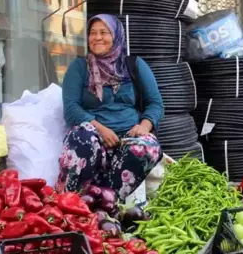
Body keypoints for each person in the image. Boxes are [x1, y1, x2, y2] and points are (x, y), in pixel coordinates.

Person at [57, 14, 164, 200]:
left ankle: (107, 201)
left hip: (128, 136)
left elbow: (155, 104)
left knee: (149, 147)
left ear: (116, 36)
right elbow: (71, 108)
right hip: (94, 134)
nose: (97, 37)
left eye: (103, 32)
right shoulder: (79, 67)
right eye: (92, 33)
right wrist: (101, 130)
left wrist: (144, 127)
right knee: (81, 137)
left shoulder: (134, 65)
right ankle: (72, 202)